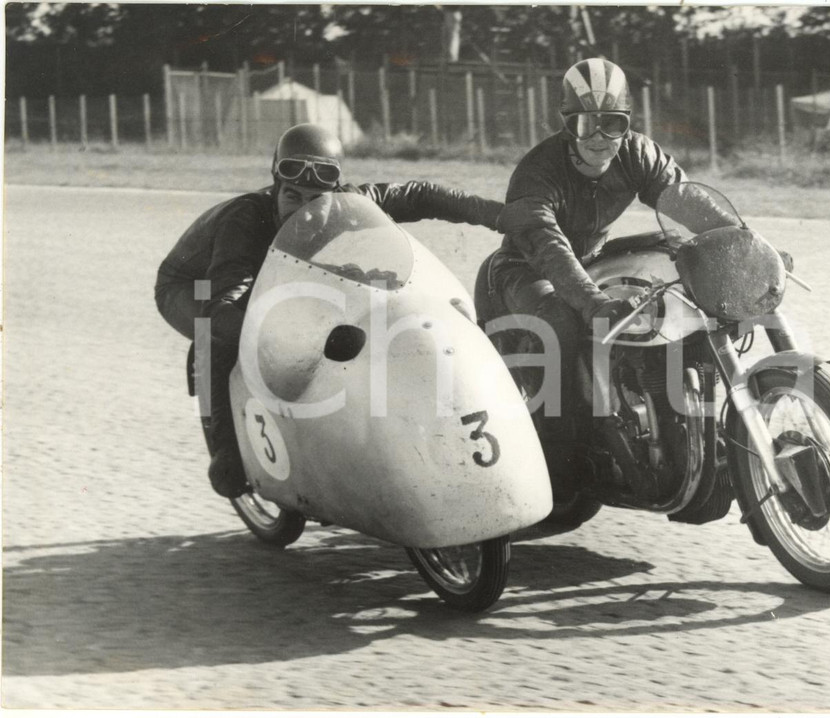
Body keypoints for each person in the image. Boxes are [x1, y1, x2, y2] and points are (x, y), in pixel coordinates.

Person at [156, 122, 503, 498]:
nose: (303, 213)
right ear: (276, 186)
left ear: (335, 193)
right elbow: (223, 305)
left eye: (315, 201)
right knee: (221, 336)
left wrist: (497, 215)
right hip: (195, 284)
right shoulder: (243, 221)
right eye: (292, 196)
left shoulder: (347, 203)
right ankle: (226, 452)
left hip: (272, 272)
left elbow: (420, 195)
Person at [490, 57, 741, 496]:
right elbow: (551, 253)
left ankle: (688, 419)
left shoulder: (638, 153)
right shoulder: (537, 172)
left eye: (615, 123)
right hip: (526, 269)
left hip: (591, 258)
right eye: (588, 125)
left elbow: (685, 200)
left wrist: (744, 244)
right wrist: (594, 304)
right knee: (561, 324)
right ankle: (556, 460)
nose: (602, 138)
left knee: (683, 270)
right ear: (567, 123)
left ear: (628, 122)